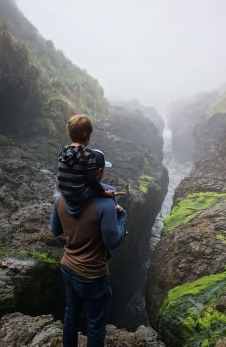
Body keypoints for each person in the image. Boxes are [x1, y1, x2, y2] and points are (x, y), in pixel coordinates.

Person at [51, 149, 127, 347]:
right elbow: (113, 241)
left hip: (68, 267)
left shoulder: (60, 198)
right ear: (99, 171)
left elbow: (55, 230)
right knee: (95, 325)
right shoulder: (105, 203)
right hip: (93, 275)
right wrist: (122, 216)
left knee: (71, 315)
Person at [57, 114, 116, 216]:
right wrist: (103, 192)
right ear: (87, 136)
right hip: (80, 196)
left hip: (63, 191)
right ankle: (112, 210)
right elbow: (92, 182)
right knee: (110, 189)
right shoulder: (89, 155)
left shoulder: (64, 150)